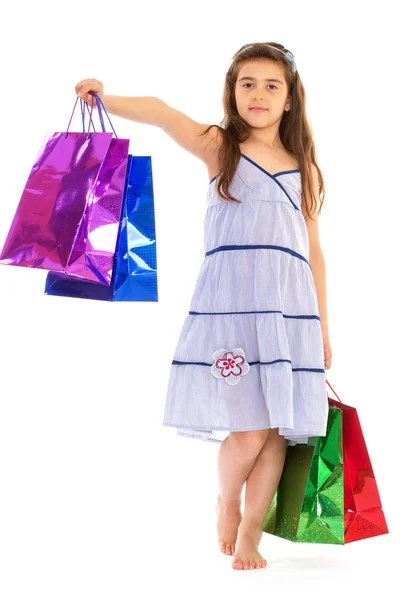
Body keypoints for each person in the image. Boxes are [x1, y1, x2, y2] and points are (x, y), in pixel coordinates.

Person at [75, 41, 332, 571]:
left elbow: (314, 251)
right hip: (232, 306)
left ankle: (251, 536)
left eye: (271, 85)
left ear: (289, 100)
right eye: (247, 83)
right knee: (247, 430)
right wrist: (107, 96)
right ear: (232, 91)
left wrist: (323, 327)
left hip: (288, 311)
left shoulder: (301, 165)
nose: (258, 94)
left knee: (276, 429)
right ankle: (226, 501)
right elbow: (164, 113)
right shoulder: (222, 147)